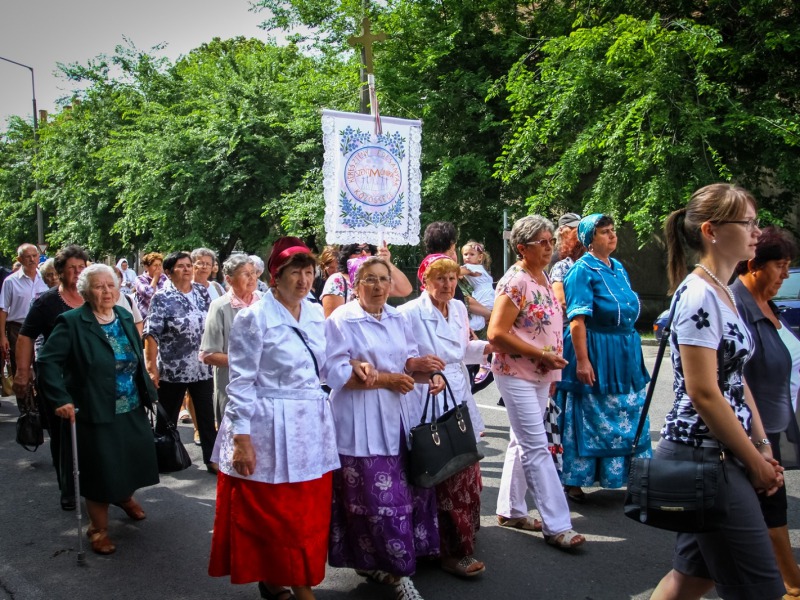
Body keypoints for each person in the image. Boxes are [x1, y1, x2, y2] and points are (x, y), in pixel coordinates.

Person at [650, 183, 785, 600]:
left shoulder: (723, 291)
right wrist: (754, 461)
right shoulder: (699, 296)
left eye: (755, 222)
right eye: (747, 222)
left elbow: (736, 377)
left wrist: (762, 446)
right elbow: (704, 392)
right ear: (710, 230)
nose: (756, 232)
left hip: (724, 452)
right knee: (761, 589)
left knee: (691, 579)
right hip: (707, 458)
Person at [208, 238, 340, 600]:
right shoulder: (255, 317)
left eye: (309, 271)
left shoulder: (315, 313)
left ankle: (281, 578)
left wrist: (356, 367)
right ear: (275, 276)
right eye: (295, 272)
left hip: (310, 425)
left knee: (306, 510)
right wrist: (242, 439)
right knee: (274, 510)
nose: (303, 279)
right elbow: (241, 381)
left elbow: (325, 368)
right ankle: (299, 587)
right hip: (269, 425)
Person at [324, 255, 445, 600]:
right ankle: (399, 573)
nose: (378, 286)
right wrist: (386, 380)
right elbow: (333, 373)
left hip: (396, 417)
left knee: (404, 497)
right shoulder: (341, 319)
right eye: (369, 279)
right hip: (358, 422)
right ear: (355, 284)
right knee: (374, 502)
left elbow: (405, 359)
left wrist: (425, 370)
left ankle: (388, 564)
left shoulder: (396, 316)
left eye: (383, 279)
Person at [37, 264, 159, 555]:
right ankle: (98, 529)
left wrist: (148, 382)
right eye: (99, 286)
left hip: (130, 405)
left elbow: (134, 357)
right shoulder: (71, 322)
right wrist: (60, 398)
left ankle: (123, 496)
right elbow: (48, 363)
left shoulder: (125, 316)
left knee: (130, 459)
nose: (106, 291)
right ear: (86, 291)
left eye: (111, 285)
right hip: (93, 408)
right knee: (100, 469)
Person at [488, 215, 586, 550]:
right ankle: (558, 525)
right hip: (515, 372)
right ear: (521, 248)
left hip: (541, 373)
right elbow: (496, 334)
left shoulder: (542, 276)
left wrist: (551, 369)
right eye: (542, 243)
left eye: (550, 241)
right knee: (537, 446)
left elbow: (547, 329)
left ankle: (512, 509)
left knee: (521, 441)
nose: (550, 247)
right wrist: (542, 357)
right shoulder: (515, 281)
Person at [399, 254, 489, 578]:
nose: (447, 285)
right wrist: (418, 365)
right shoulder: (409, 313)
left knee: (463, 462)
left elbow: (463, 351)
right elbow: (402, 357)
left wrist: (491, 348)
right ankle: (443, 549)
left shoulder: (461, 308)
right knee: (437, 467)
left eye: (451, 279)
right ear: (424, 281)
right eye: (439, 279)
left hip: (457, 390)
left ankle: (459, 541)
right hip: (428, 395)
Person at [555, 214, 651, 502]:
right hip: (594, 347)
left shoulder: (618, 267)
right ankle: (574, 480)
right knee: (587, 412)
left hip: (623, 349)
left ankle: (628, 475)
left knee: (629, 409)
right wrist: (583, 361)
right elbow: (577, 321)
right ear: (589, 240)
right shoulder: (581, 270)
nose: (612, 236)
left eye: (612, 231)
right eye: (604, 232)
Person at [732, 226, 800, 595]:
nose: (786, 275)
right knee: (771, 508)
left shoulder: (764, 302)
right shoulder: (737, 304)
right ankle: (791, 583)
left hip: (770, 425)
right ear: (754, 265)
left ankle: (784, 578)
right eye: (781, 265)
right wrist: (759, 443)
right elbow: (733, 379)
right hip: (750, 432)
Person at [13, 244, 89, 511]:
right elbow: (25, 336)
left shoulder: (95, 297)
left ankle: (97, 486)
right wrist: (23, 373)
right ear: (59, 271)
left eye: (82, 268)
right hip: (57, 380)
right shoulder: (46, 302)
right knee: (63, 436)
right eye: (72, 268)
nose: (78, 273)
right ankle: (68, 488)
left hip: (91, 380)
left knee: (94, 433)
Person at [143, 251, 216, 472]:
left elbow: (212, 324)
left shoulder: (202, 293)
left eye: (188, 265)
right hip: (173, 368)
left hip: (202, 367)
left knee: (205, 415)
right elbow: (151, 333)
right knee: (168, 417)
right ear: (168, 271)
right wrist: (151, 366)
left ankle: (212, 459)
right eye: (181, 266)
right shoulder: (162, 297)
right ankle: (165, 457)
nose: (187, 269)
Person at [200, 254, 262, 425]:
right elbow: (208, 355)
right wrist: (246, 360)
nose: (252, 278)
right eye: (245, 274)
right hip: (233, 386)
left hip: (265, 387)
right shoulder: (220, 306)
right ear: (229, 279)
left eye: (254, 272)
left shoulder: (264, 302)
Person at [1, 243, 49, 409]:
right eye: (27, 256)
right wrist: (2, 336)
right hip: (18, 328)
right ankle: (25, 408)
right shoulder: (11, 281)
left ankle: (41, 403)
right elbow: (3, 309)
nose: (32, 259)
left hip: (42, 328)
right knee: (21, 367)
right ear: (19, 259)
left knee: (41, 364)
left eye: (34, 255)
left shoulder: (45, 278)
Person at [320, 242, 412, 318]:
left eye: (367, 249)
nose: (364, 253)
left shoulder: (378, 279)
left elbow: (405, 290)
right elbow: (333, 323)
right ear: (347, 255)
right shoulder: (337, 280)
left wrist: (387, 262)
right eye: (357, 251)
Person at [550, 217, 585, 314]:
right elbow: (560, 301)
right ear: (561, 230)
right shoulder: (558, 259)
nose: (577, 231)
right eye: (572, 228)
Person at [460, 241, 494, 334]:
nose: (468, 257)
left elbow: (457, 272)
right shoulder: (480, 268)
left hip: (483, 296)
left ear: (480, 257)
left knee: (475, 321)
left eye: (472, 254)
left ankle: (466, 333)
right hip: (489, 296)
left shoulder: (472, 268)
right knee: (482, 320)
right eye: (465, 254)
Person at [134, 252, 166, 319]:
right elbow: (149, 294)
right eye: (155, 265)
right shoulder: (140, 279)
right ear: (146, 267)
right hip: (146, 318)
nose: (158, 268)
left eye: (160, 265)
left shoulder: (164, 278)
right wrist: (155, 278)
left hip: (162, 316)